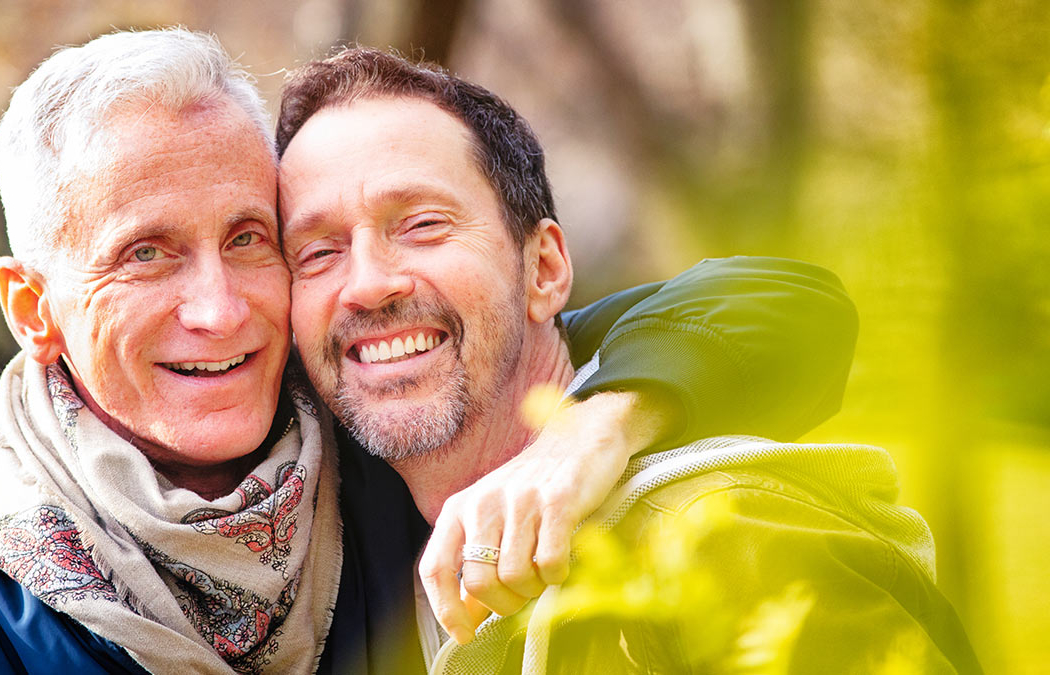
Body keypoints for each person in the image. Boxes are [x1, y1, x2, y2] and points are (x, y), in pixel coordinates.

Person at [0, 30, 857, 675]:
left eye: (253, 239)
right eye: (145, 254)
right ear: (34, 307)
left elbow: (779, 305)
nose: (219, 307)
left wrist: (586, 436)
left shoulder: (370, 434)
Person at [275, 47, 984, 673]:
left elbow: (791, 298)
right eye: (317, 251)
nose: (367, 282)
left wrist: (592, 427)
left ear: (545, 269)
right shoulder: (323, 545)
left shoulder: (726, 534)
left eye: (423, 224)